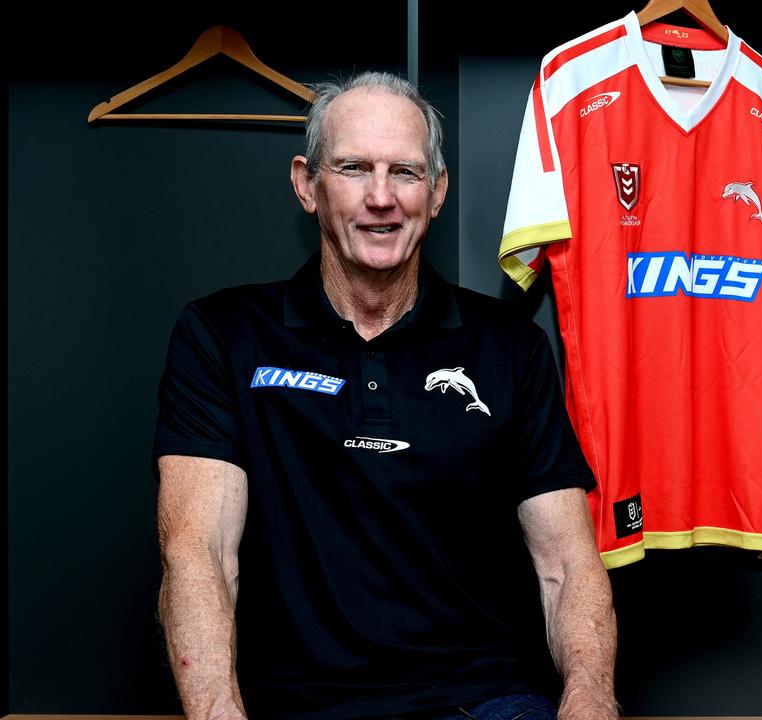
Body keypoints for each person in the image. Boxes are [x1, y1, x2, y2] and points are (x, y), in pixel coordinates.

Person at [153, 71, 617, 720]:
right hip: (295, 707)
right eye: (352, 168)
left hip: (484, 704)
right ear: (306, 184)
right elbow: (197, 551)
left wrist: (590, 694)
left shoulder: (510, 347)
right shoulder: (224, 337)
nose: (381, 197)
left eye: (404, 172)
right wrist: (216, 712)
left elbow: (566, 564)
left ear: (437, 192)